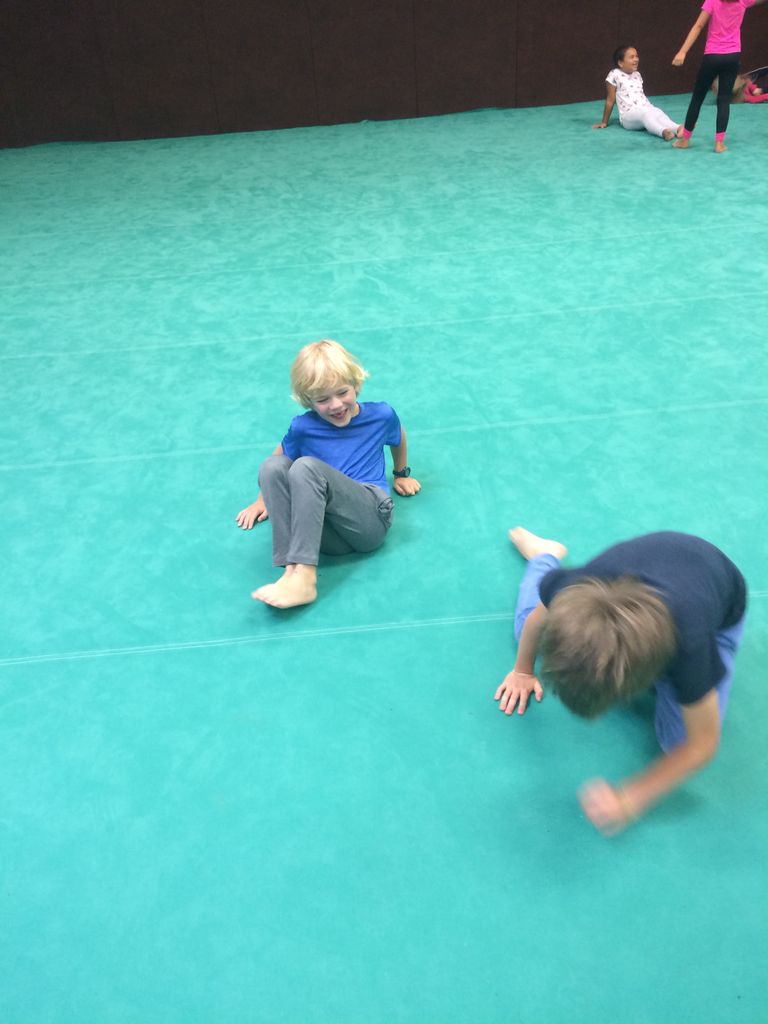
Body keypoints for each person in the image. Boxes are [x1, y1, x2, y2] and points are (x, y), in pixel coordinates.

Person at [494, 527, 747, 835]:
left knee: (678, 741)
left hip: (720, 600)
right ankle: (545, 555)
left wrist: (630, 798)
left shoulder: (691, 649)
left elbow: (702, 744)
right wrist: (523, 670)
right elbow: (538, 619)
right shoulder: (573, 590)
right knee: (527, 631)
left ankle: (667, 679)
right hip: (652, 570)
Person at [236, 339, 420, 608]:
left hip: (369, 522)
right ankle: (292, 570)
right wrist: (262, 499)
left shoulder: (381, 415)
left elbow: (398, 436)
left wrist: (401, 473)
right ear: (308, 401)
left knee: (306, 467)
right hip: (327, 533)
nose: (336, 405)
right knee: (271, 467)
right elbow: (278, 459)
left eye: (342, 392)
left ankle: (305, 577)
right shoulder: (303, 427)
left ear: (356, 385)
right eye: (323, 399)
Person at [672, 0, 767, 152]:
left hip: (712, 56)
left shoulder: (712, 1)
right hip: (732, 57)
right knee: (724, 100)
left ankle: (685, 140)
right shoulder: (743, 1)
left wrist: (682, 52)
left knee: (697, 98)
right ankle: (719, 143)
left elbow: (698, 26)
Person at [592, 46, 683, 139]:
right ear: (620, 63)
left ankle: (677, 128)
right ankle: (663, 132)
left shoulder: (637, 75)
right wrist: (604, 122)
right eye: (631, 57)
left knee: (657, 111)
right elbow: (610, 100)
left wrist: (650, 109)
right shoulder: (614, 74)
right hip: (628, 116)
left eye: (636, 56)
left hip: (646, 108)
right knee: (645, 114)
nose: (636, 59)